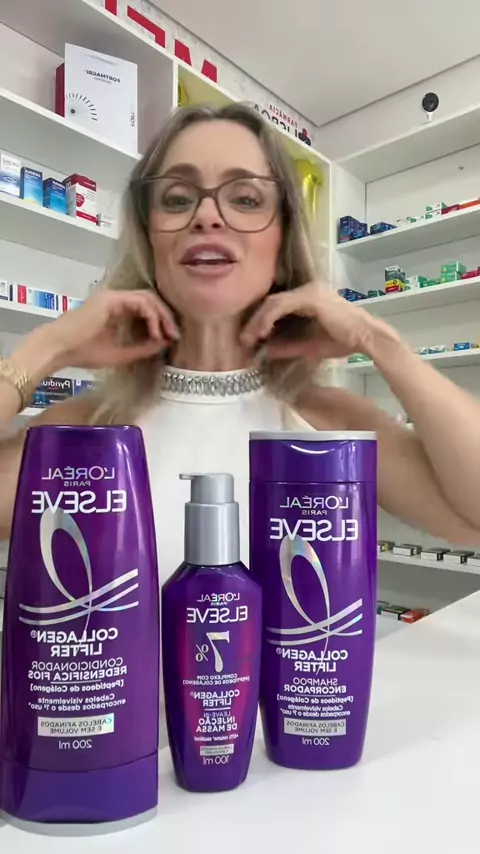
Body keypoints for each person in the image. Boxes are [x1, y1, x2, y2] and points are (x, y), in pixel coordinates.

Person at [0, 103, 479, 576]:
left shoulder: (333, 427)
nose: (207, 216)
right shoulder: (80, 432)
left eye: (246, 199)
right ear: (149, 238)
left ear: (282, 241)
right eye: (177, 199)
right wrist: (47, 348)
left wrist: (378, 341)